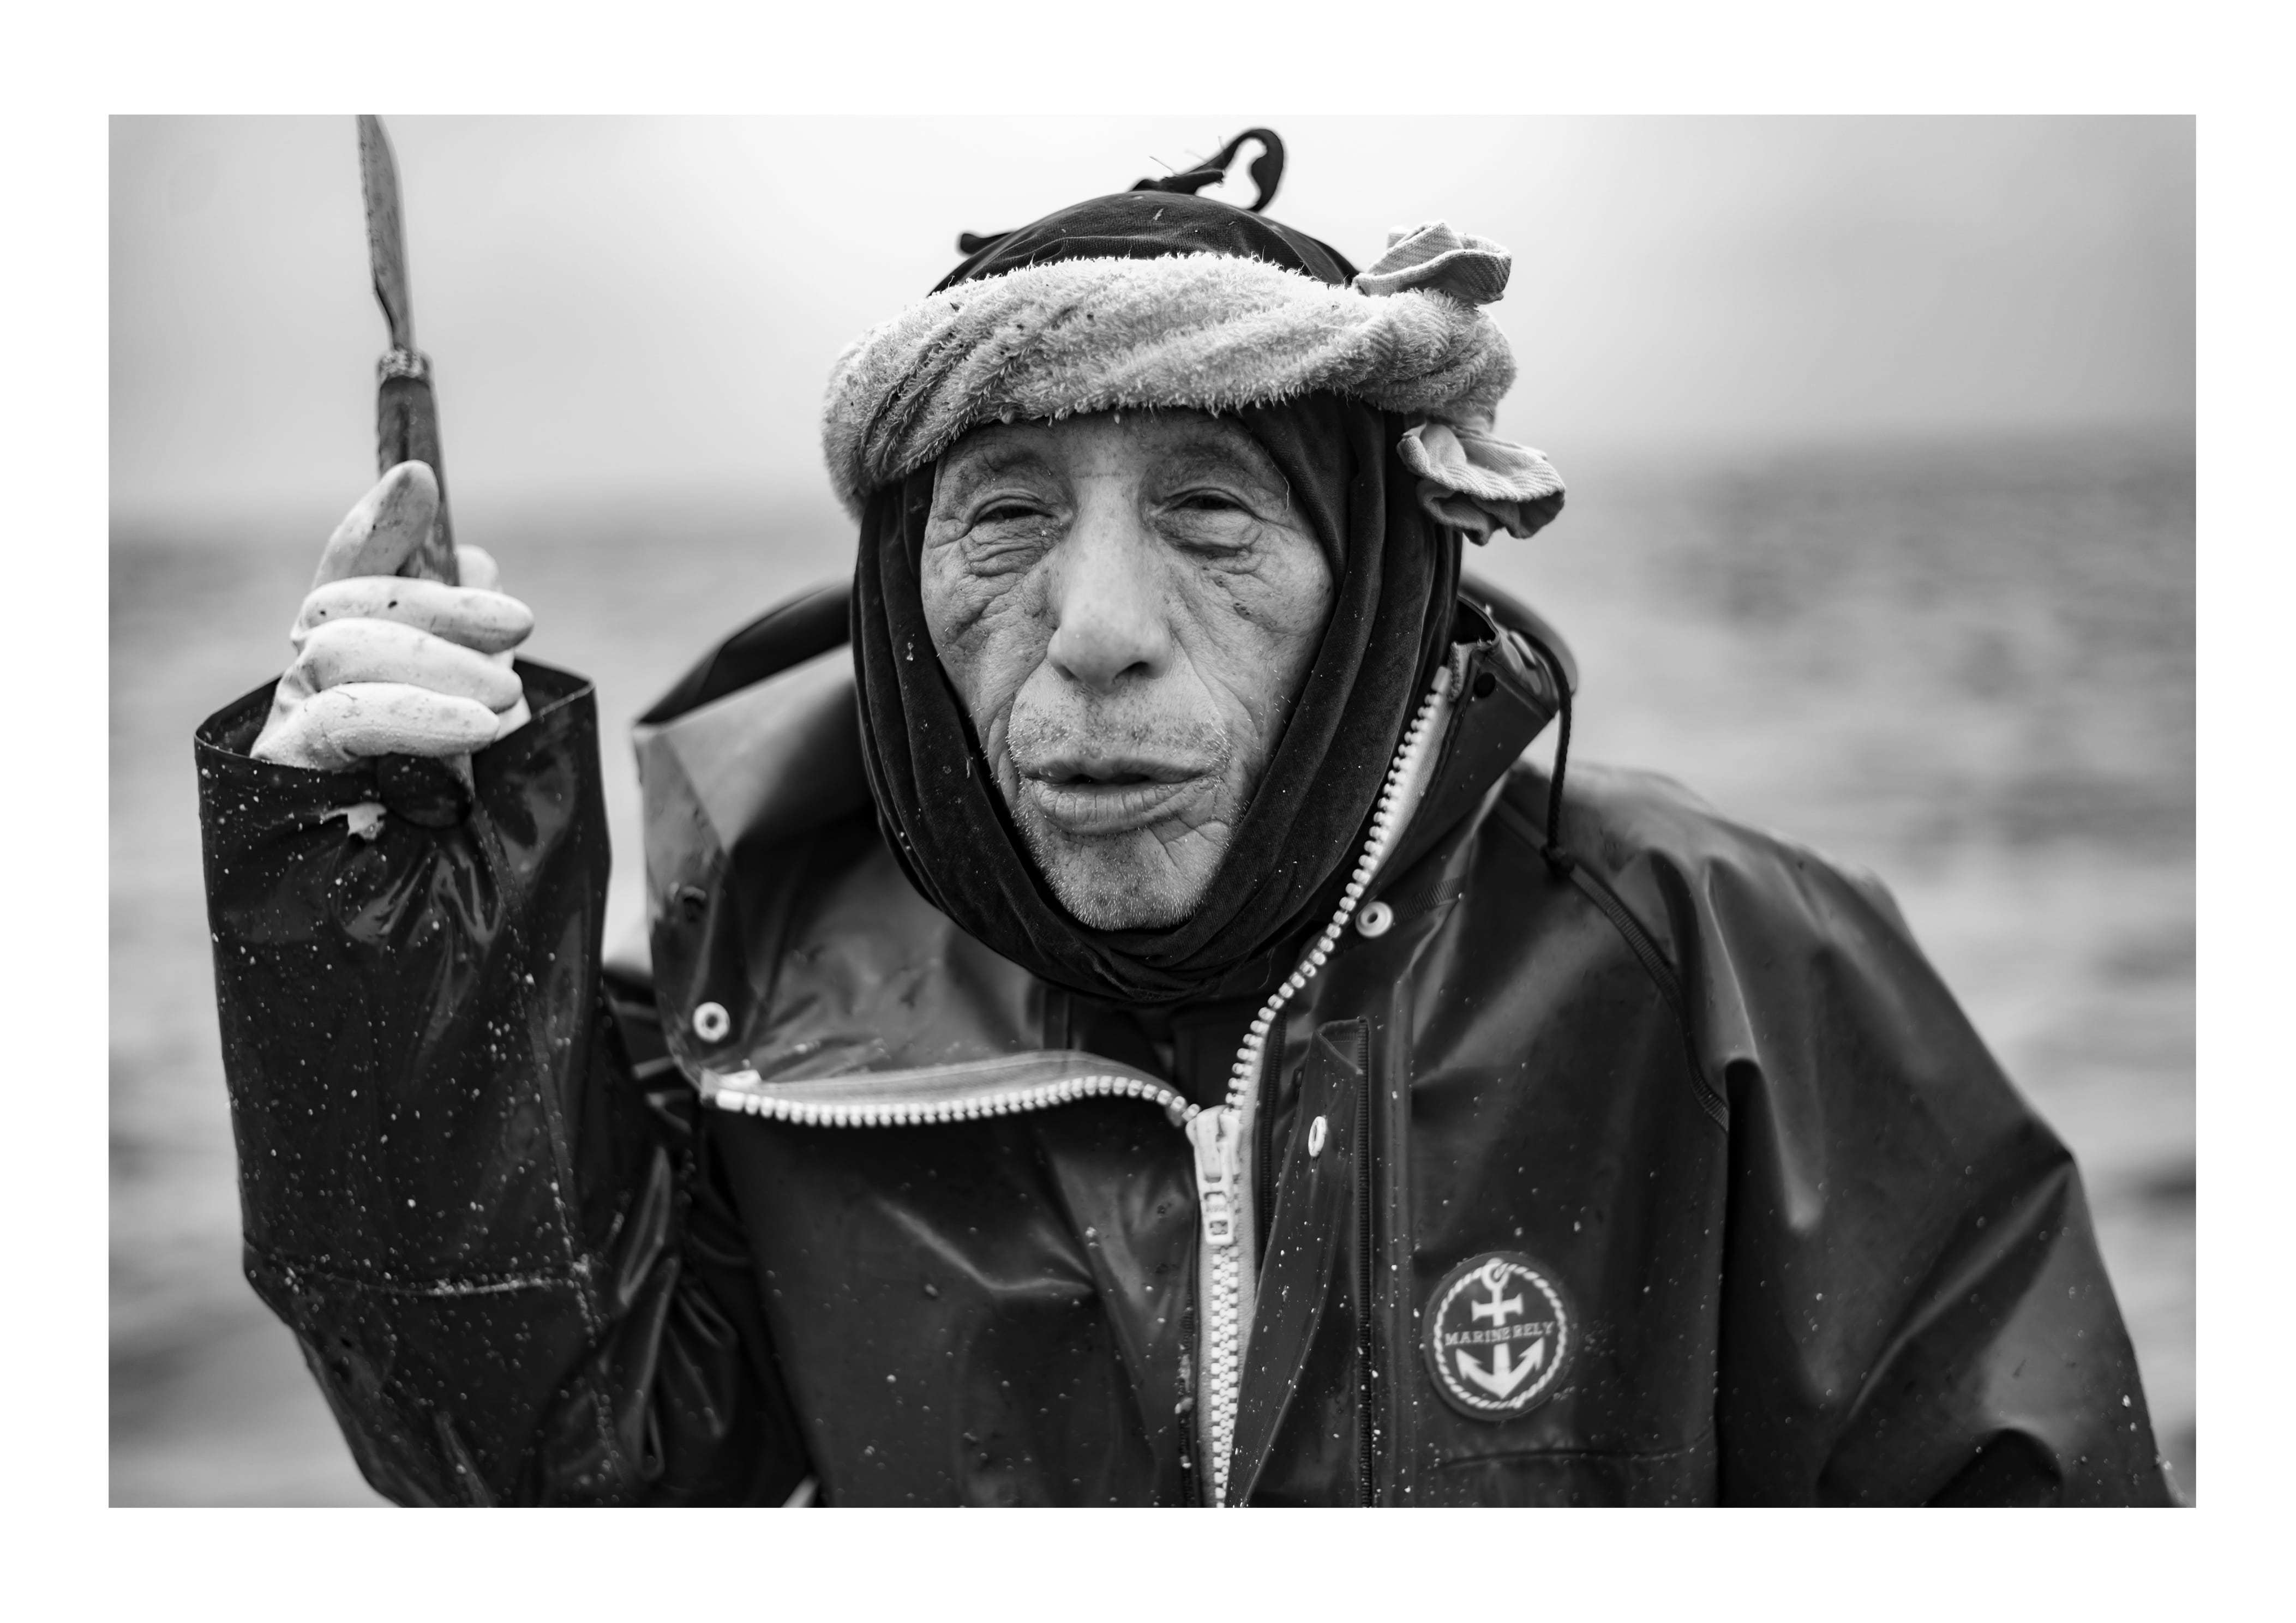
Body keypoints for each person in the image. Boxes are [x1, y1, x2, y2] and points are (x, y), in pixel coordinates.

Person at [196, 137, 2173, 1506]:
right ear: (902, 607)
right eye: (1001, 520)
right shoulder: (772, 1020)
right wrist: (383, 909)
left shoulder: (1723, 966)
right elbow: (549, 1478)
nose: (1097, 633)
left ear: (1376, 580)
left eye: (1213, 513)